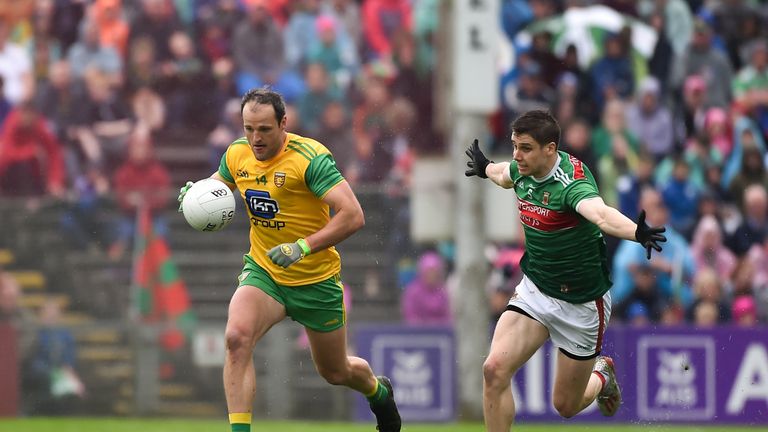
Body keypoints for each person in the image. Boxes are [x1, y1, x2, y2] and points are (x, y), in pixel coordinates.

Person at [177, 88, 400, 432]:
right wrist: (197, 194)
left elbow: (353, 215)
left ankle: (378, 391)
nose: (255, 138)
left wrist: (303, 247)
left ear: (284, 123)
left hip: (315, 279)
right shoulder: (237, 153)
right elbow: (219, 186)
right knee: (236, 338)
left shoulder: (309, 159)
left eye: (264, 129)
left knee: (335, 371)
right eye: (248, 128)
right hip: (265, 272)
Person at [463, 110, 666, 430]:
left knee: (566, 405)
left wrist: (636, 232)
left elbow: (599, 214)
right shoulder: (523, 168)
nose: (517, 155)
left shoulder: (570, 184)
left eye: (525, 148)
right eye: (514, 146)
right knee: (494, 370)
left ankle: (602, 376)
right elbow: (505, 174)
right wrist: (485, 167)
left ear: (550, 149)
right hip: (537, 289)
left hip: (582, 304)